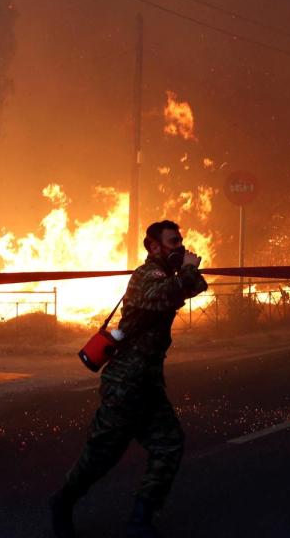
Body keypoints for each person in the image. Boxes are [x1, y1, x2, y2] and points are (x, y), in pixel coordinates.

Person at [51, 220, 208, 538]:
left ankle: (140, 519)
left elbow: (197, 287)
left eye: (181, 241)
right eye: (173, 242)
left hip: (148, 385)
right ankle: (62, 503)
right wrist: (187, 270)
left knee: (168, 445)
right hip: (125, 385)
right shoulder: (145, 276)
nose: (180, 247)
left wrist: (188, 271)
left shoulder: (168, 276)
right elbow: (163, 295)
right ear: (154, 247)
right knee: (101, 456)